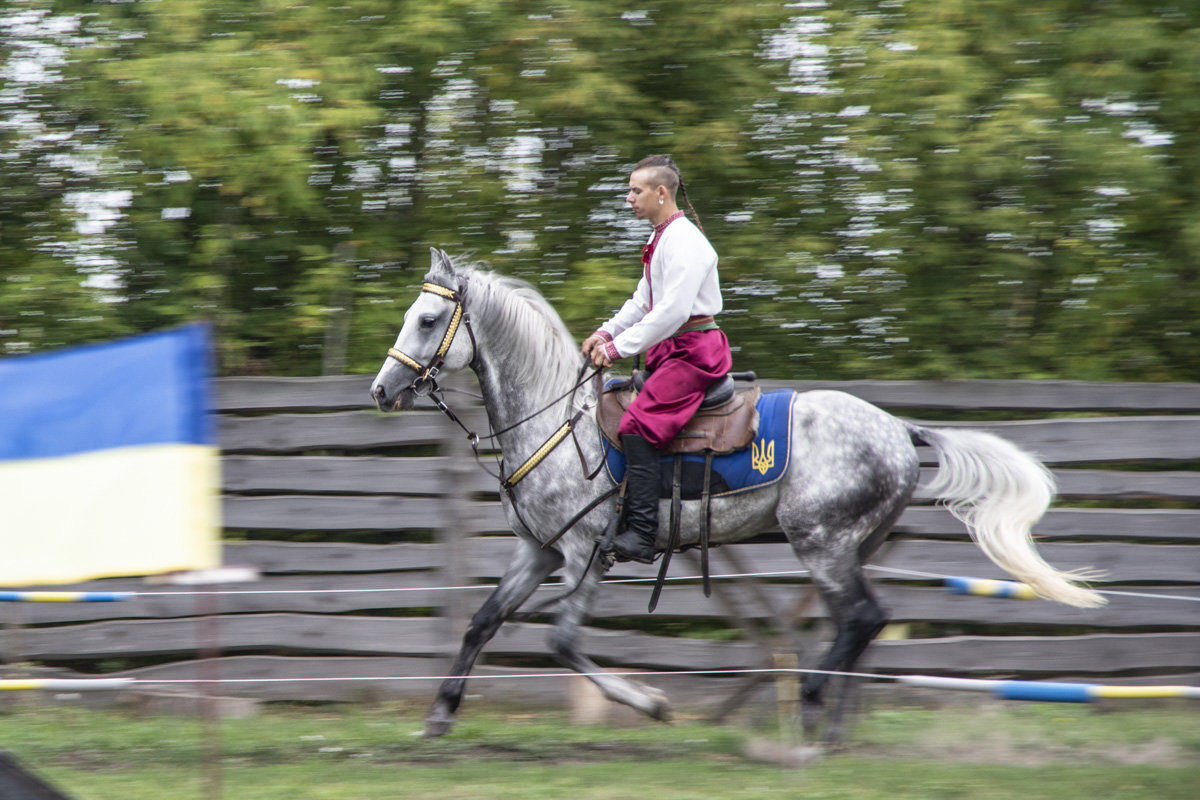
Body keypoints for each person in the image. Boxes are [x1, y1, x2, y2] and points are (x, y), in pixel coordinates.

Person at [581, 155, 732, 563]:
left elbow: (672, 313)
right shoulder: (661, 238)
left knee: (636, 424)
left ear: (660, 192)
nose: (628, 198)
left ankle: (643, 533)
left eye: (636, 190)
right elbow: (642, 301)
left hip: (694, 352)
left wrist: (615, 350)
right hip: (673, 349)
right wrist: (605, 331)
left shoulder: (684, 241)